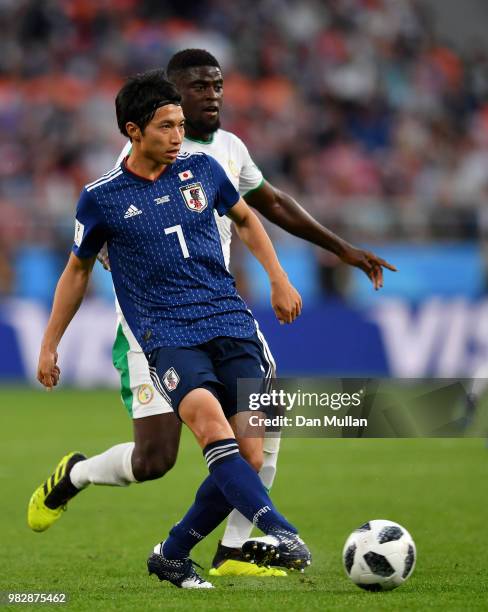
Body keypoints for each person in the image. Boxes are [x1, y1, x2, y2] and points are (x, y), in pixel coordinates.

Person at [28, 49, 396, 578]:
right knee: (155, 459)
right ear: (145, 122)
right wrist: (54, 340)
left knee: (254, 435)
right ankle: (79, 475)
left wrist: (302, 265)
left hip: (222, 315)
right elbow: (88, 264)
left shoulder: (219, 155)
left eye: (216, 86)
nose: (211, 97)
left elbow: (261, 208)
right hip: (154, 326)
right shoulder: (112, 188)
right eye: (197, 89)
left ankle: (229, 548)